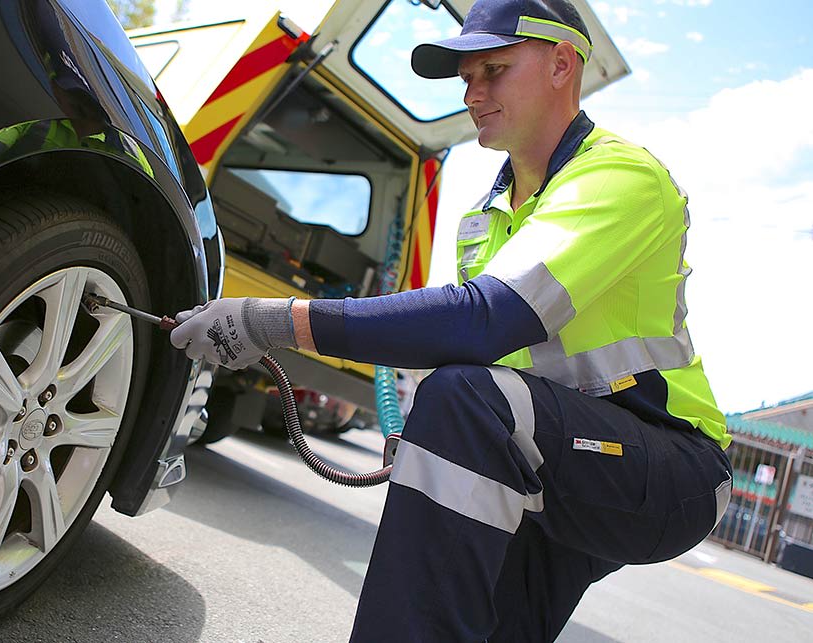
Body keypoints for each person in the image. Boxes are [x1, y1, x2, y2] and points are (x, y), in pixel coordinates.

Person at [169, 0, 733, 640]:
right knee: (496, 624)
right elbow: (490, 356)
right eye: (467, 78)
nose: (475, 92)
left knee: (464, 401)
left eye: (494, 69)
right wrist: (425, 438)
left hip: (670, 464)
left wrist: (275, 320)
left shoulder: (619, 176)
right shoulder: (488, 217)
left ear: (561, 64)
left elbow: (484, 321)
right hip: (557, 450)